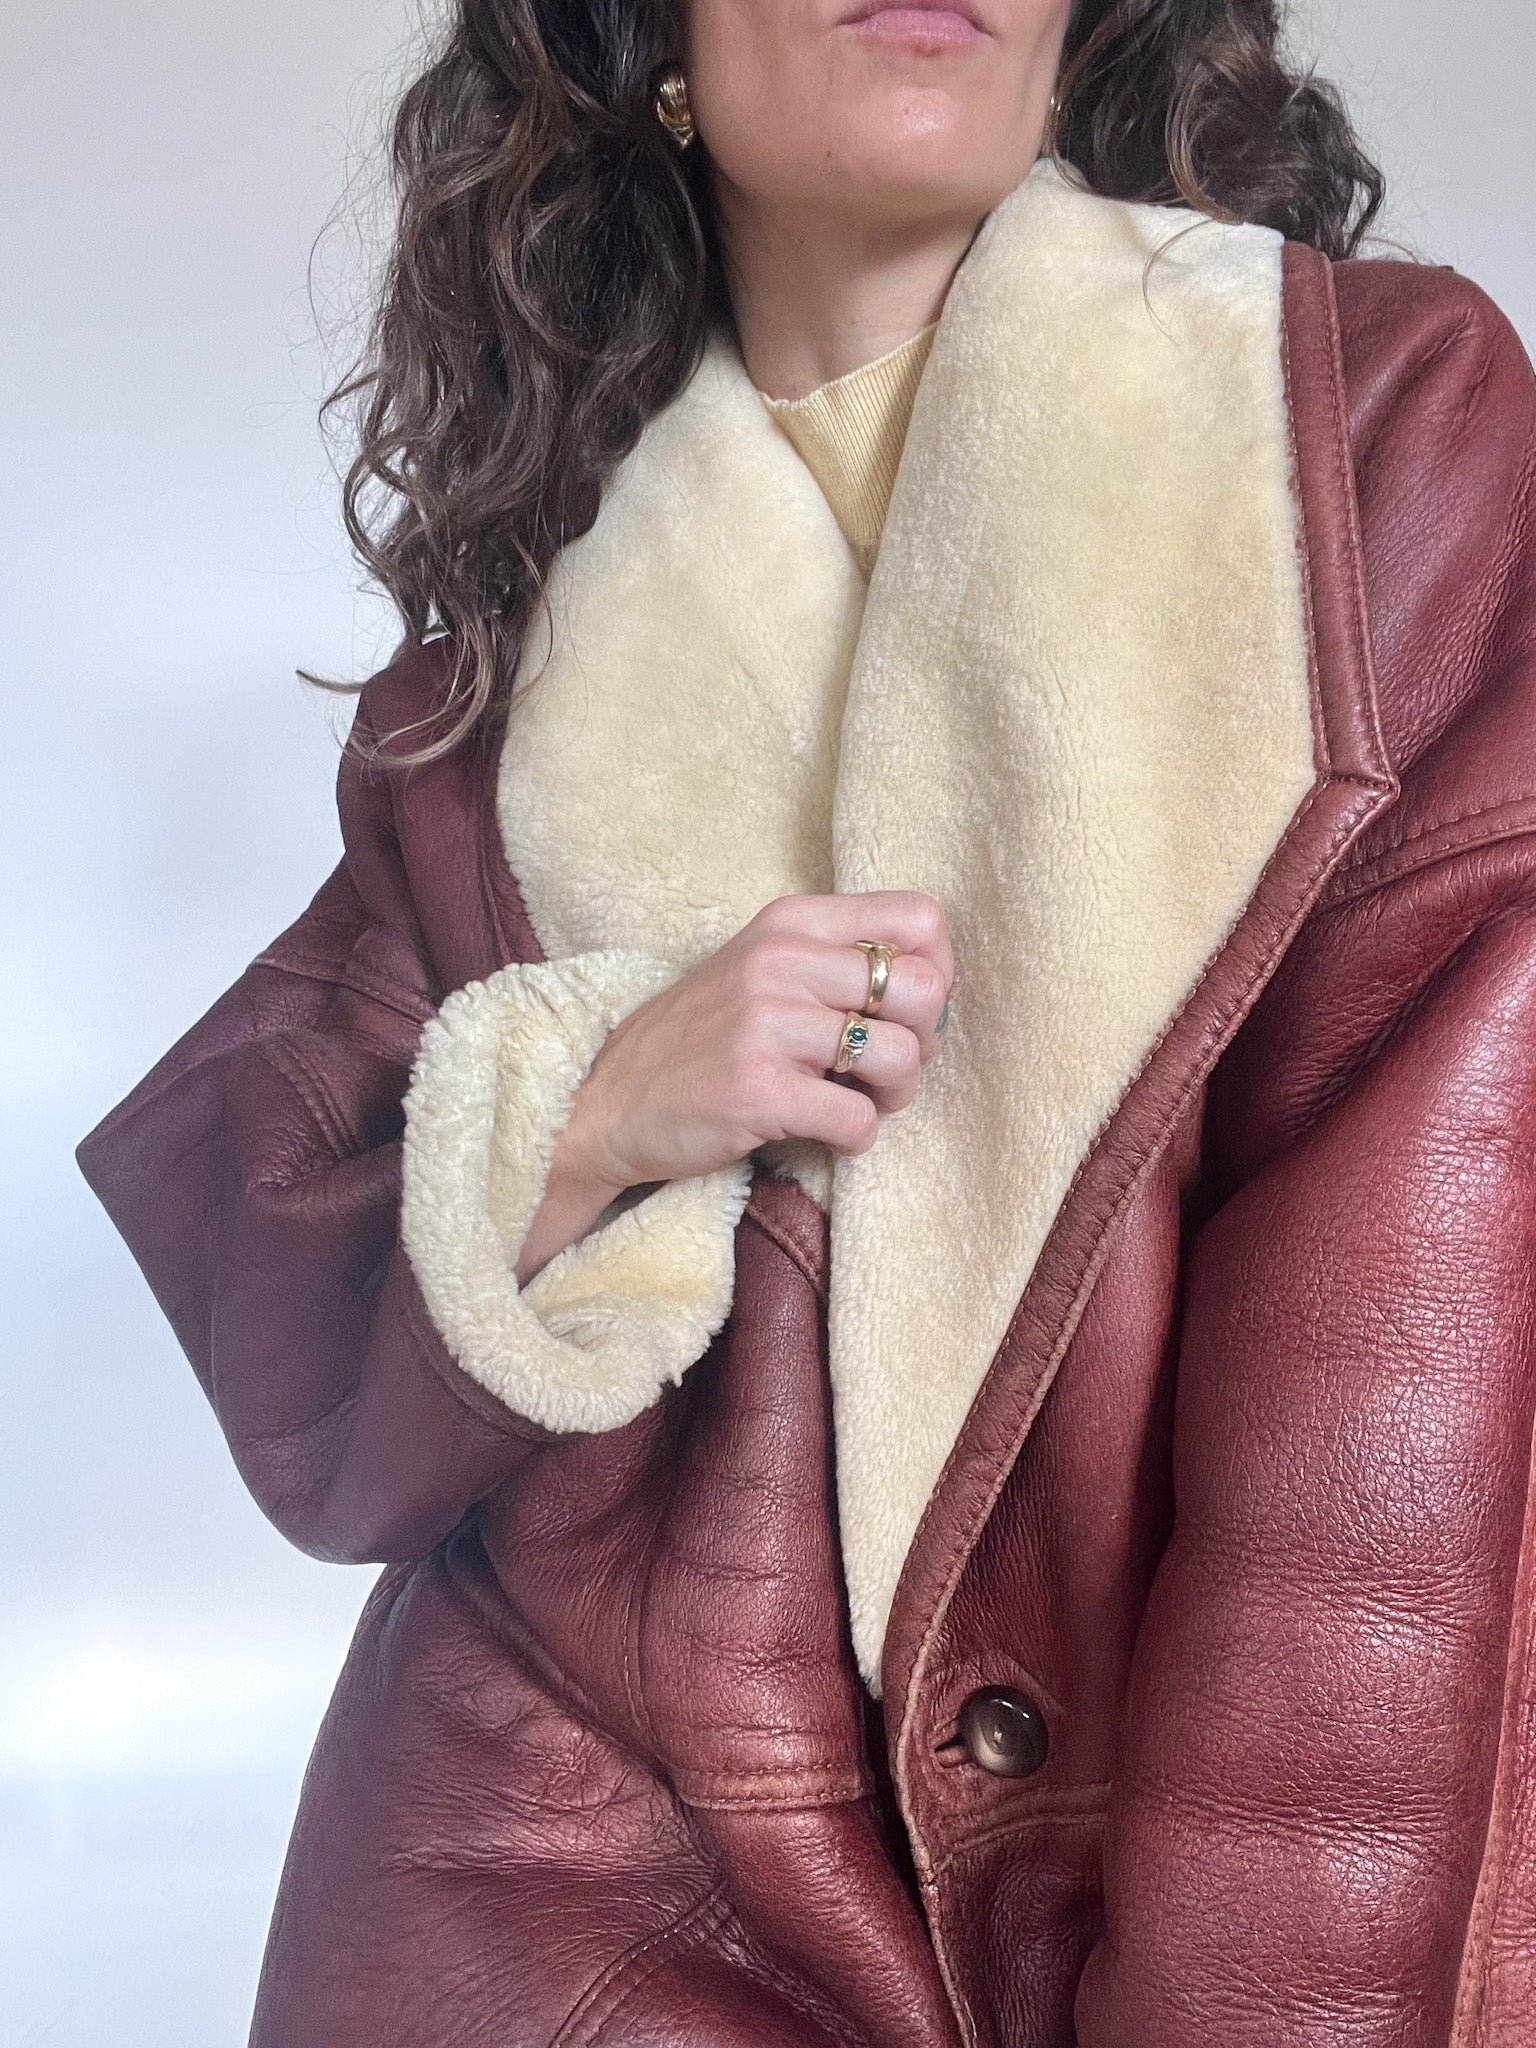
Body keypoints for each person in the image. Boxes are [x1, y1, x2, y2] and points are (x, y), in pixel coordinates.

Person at [77, 1, 1536, 2042]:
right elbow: (305, 1385)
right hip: (565, 1899)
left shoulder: (1363, 438)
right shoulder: (505, 678)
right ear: (650, 41)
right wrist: (591, 1107)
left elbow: (1397, 1436)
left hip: (1184, 1886)